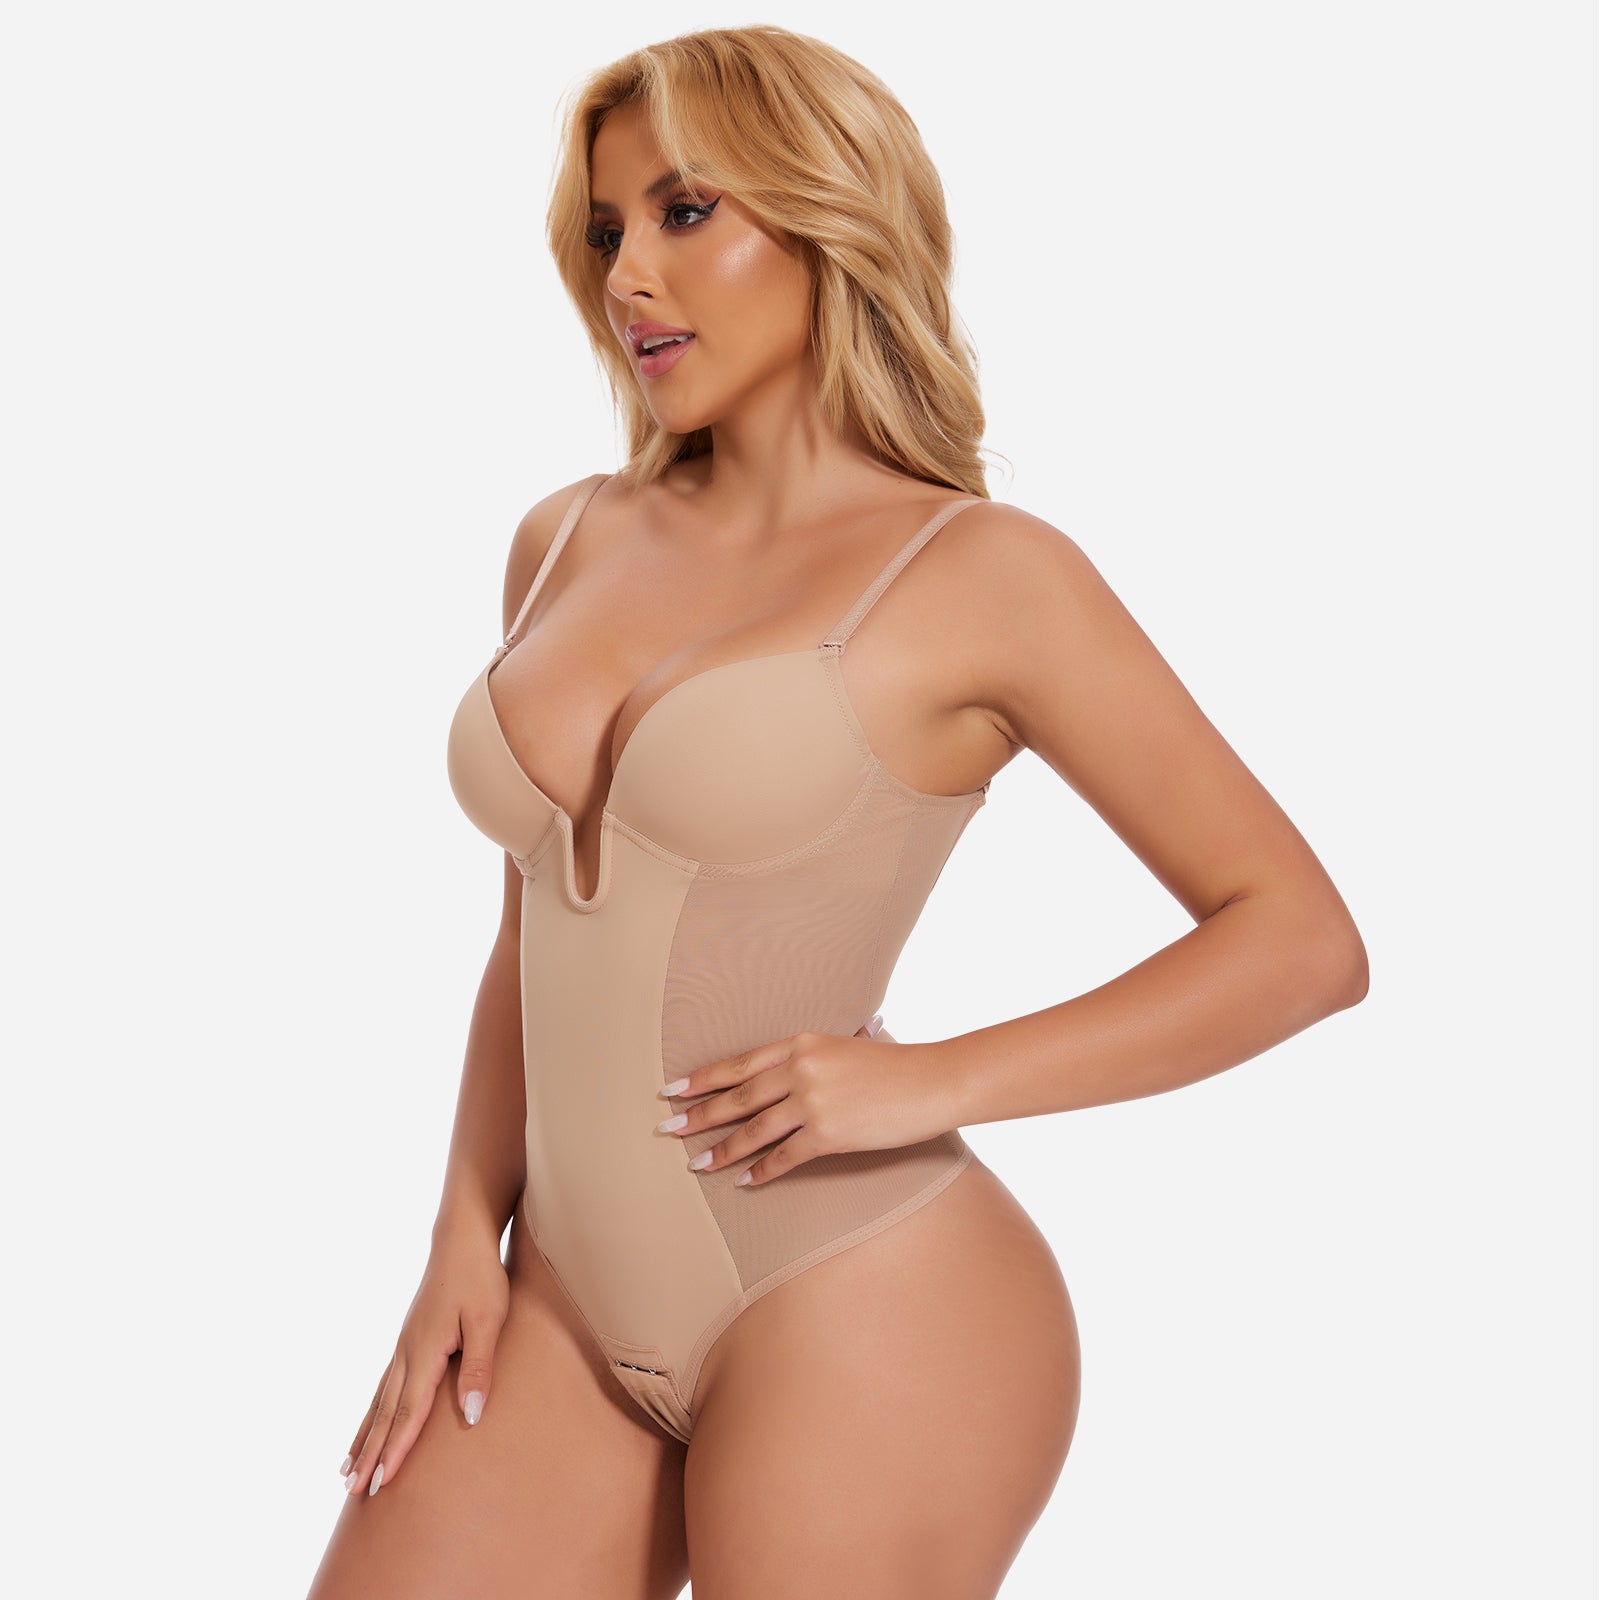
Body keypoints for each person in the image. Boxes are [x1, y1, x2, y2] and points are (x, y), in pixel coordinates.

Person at [307, 24, 1368, 1600]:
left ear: (828, 218)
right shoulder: (563, 540)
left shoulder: (984, 576)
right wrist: (464, 1230)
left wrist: (928, 1078)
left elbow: (1300, 940)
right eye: (607, 230)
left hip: (862, 1295)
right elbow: (534, 925)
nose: (628, 276)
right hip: (562, 1305)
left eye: (685, 212)